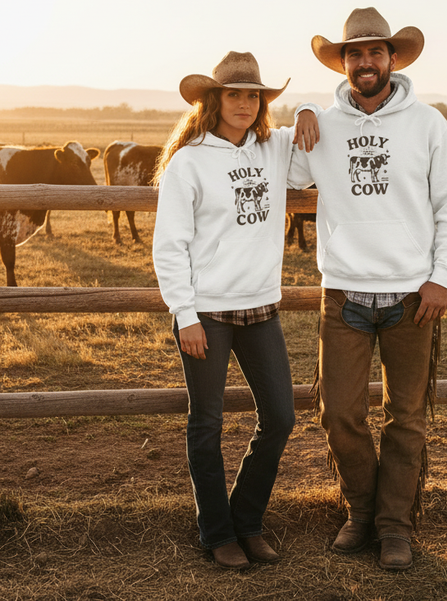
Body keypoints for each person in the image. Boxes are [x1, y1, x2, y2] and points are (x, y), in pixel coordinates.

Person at [288, 7, 447, 570]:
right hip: (343, 294)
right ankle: (361, 511)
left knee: (406, 417)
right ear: (342, 63)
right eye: (354, 53)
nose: (365, 61)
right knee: (339, 413)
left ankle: (395, 527)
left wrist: (441, 277)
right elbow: (285, 172)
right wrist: (299, 113)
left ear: (393, 58)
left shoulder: (429, 124)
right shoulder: (322, 124)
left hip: (412, 297)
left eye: (375, 51)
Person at [152, 51, 319, 569]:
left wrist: (309, 108)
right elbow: (169, 245)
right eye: (234, 94)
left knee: (281, 418)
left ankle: (247, 521)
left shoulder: (274, 148)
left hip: (261, 307)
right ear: (213, 99)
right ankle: (218, 532)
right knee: (207, 423)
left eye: (254, 95)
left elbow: (315, 154)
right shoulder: (188, 161)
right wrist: (185, 314)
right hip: (206, 313)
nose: (245, 104)